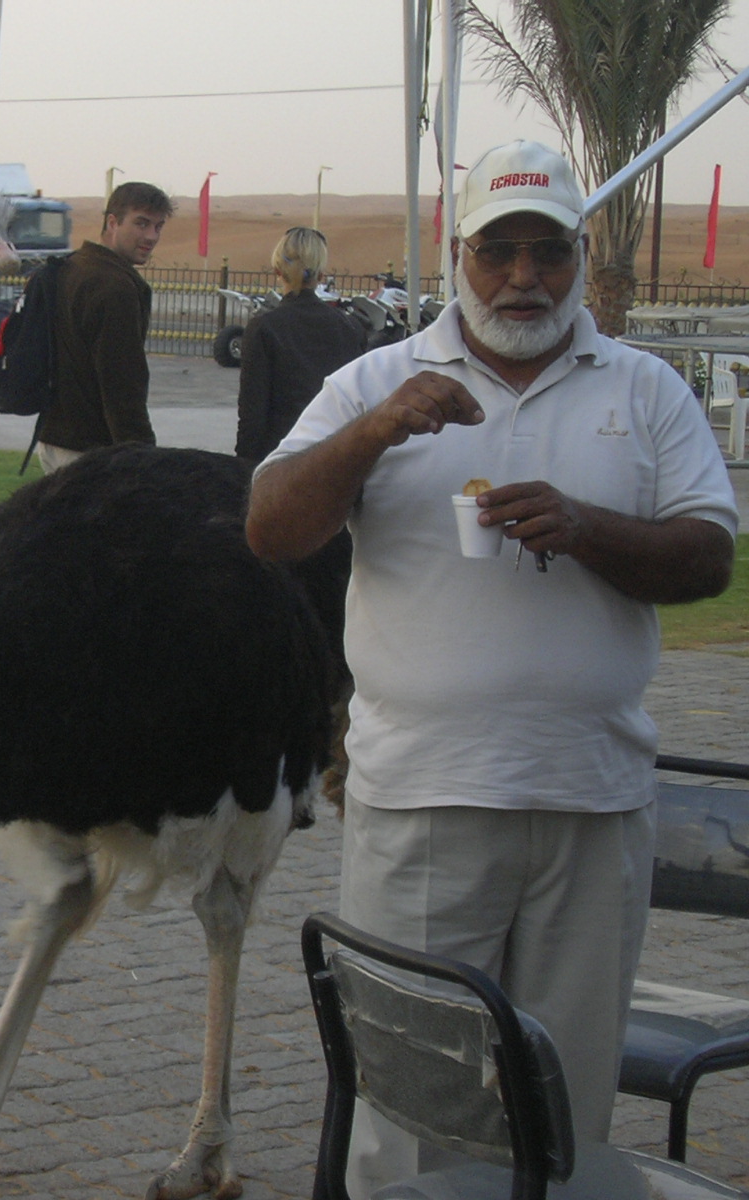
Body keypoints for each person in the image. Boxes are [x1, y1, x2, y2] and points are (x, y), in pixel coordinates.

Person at [245, 140, 737, 1197]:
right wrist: (374, 432)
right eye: (497, 250)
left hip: (591, 804)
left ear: (580, 252)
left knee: (562, 1118)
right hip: (422, 800)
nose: (524, 276)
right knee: (412, 1114)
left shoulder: (644, 387)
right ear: (456, 251)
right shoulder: (375, 381)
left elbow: (708, 559)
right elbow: (270, 529)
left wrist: (585, 527)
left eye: (547, 251)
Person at [36, 181, 172, 473]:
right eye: (141, 223)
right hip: (91, 451)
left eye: (158, 227)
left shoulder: (72, 267)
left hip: (52, 438)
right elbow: (122, 382)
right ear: (113, 221)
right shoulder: (114, 286)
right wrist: (142, 456)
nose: (151, 236)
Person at [234, 226, 365, 466]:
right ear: (321, 275)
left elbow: (253, 413)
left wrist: (243, 469)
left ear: (277, 271)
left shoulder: (265, 328)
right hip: (336, 456)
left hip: (281, 460)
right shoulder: (350, 327)